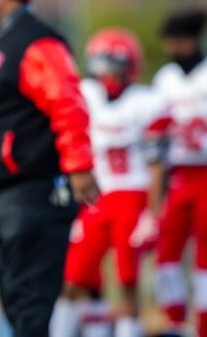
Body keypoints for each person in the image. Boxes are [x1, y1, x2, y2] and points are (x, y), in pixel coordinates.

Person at [0, 0, 98, 337]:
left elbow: (67, 104)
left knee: (30, 303)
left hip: (34, 192)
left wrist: (78, 166)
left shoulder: (35, 42)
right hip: (4, 194)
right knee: (14, 301)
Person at [50, 29, 169, 337]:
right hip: (96, 196)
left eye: (112, 65)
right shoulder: (86, 94)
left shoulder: (147, 102)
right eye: (101, 65)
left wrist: (152, 214)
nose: (105, 74)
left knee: (128, 279)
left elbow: (157, 165)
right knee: (74, 276)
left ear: (128, 67)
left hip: (133, 195)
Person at [152, 9, 207, 337]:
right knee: (166, 252)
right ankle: (174, 321)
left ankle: (202, 326)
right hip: (176, 176)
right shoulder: (165, 79)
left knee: (204, 258)